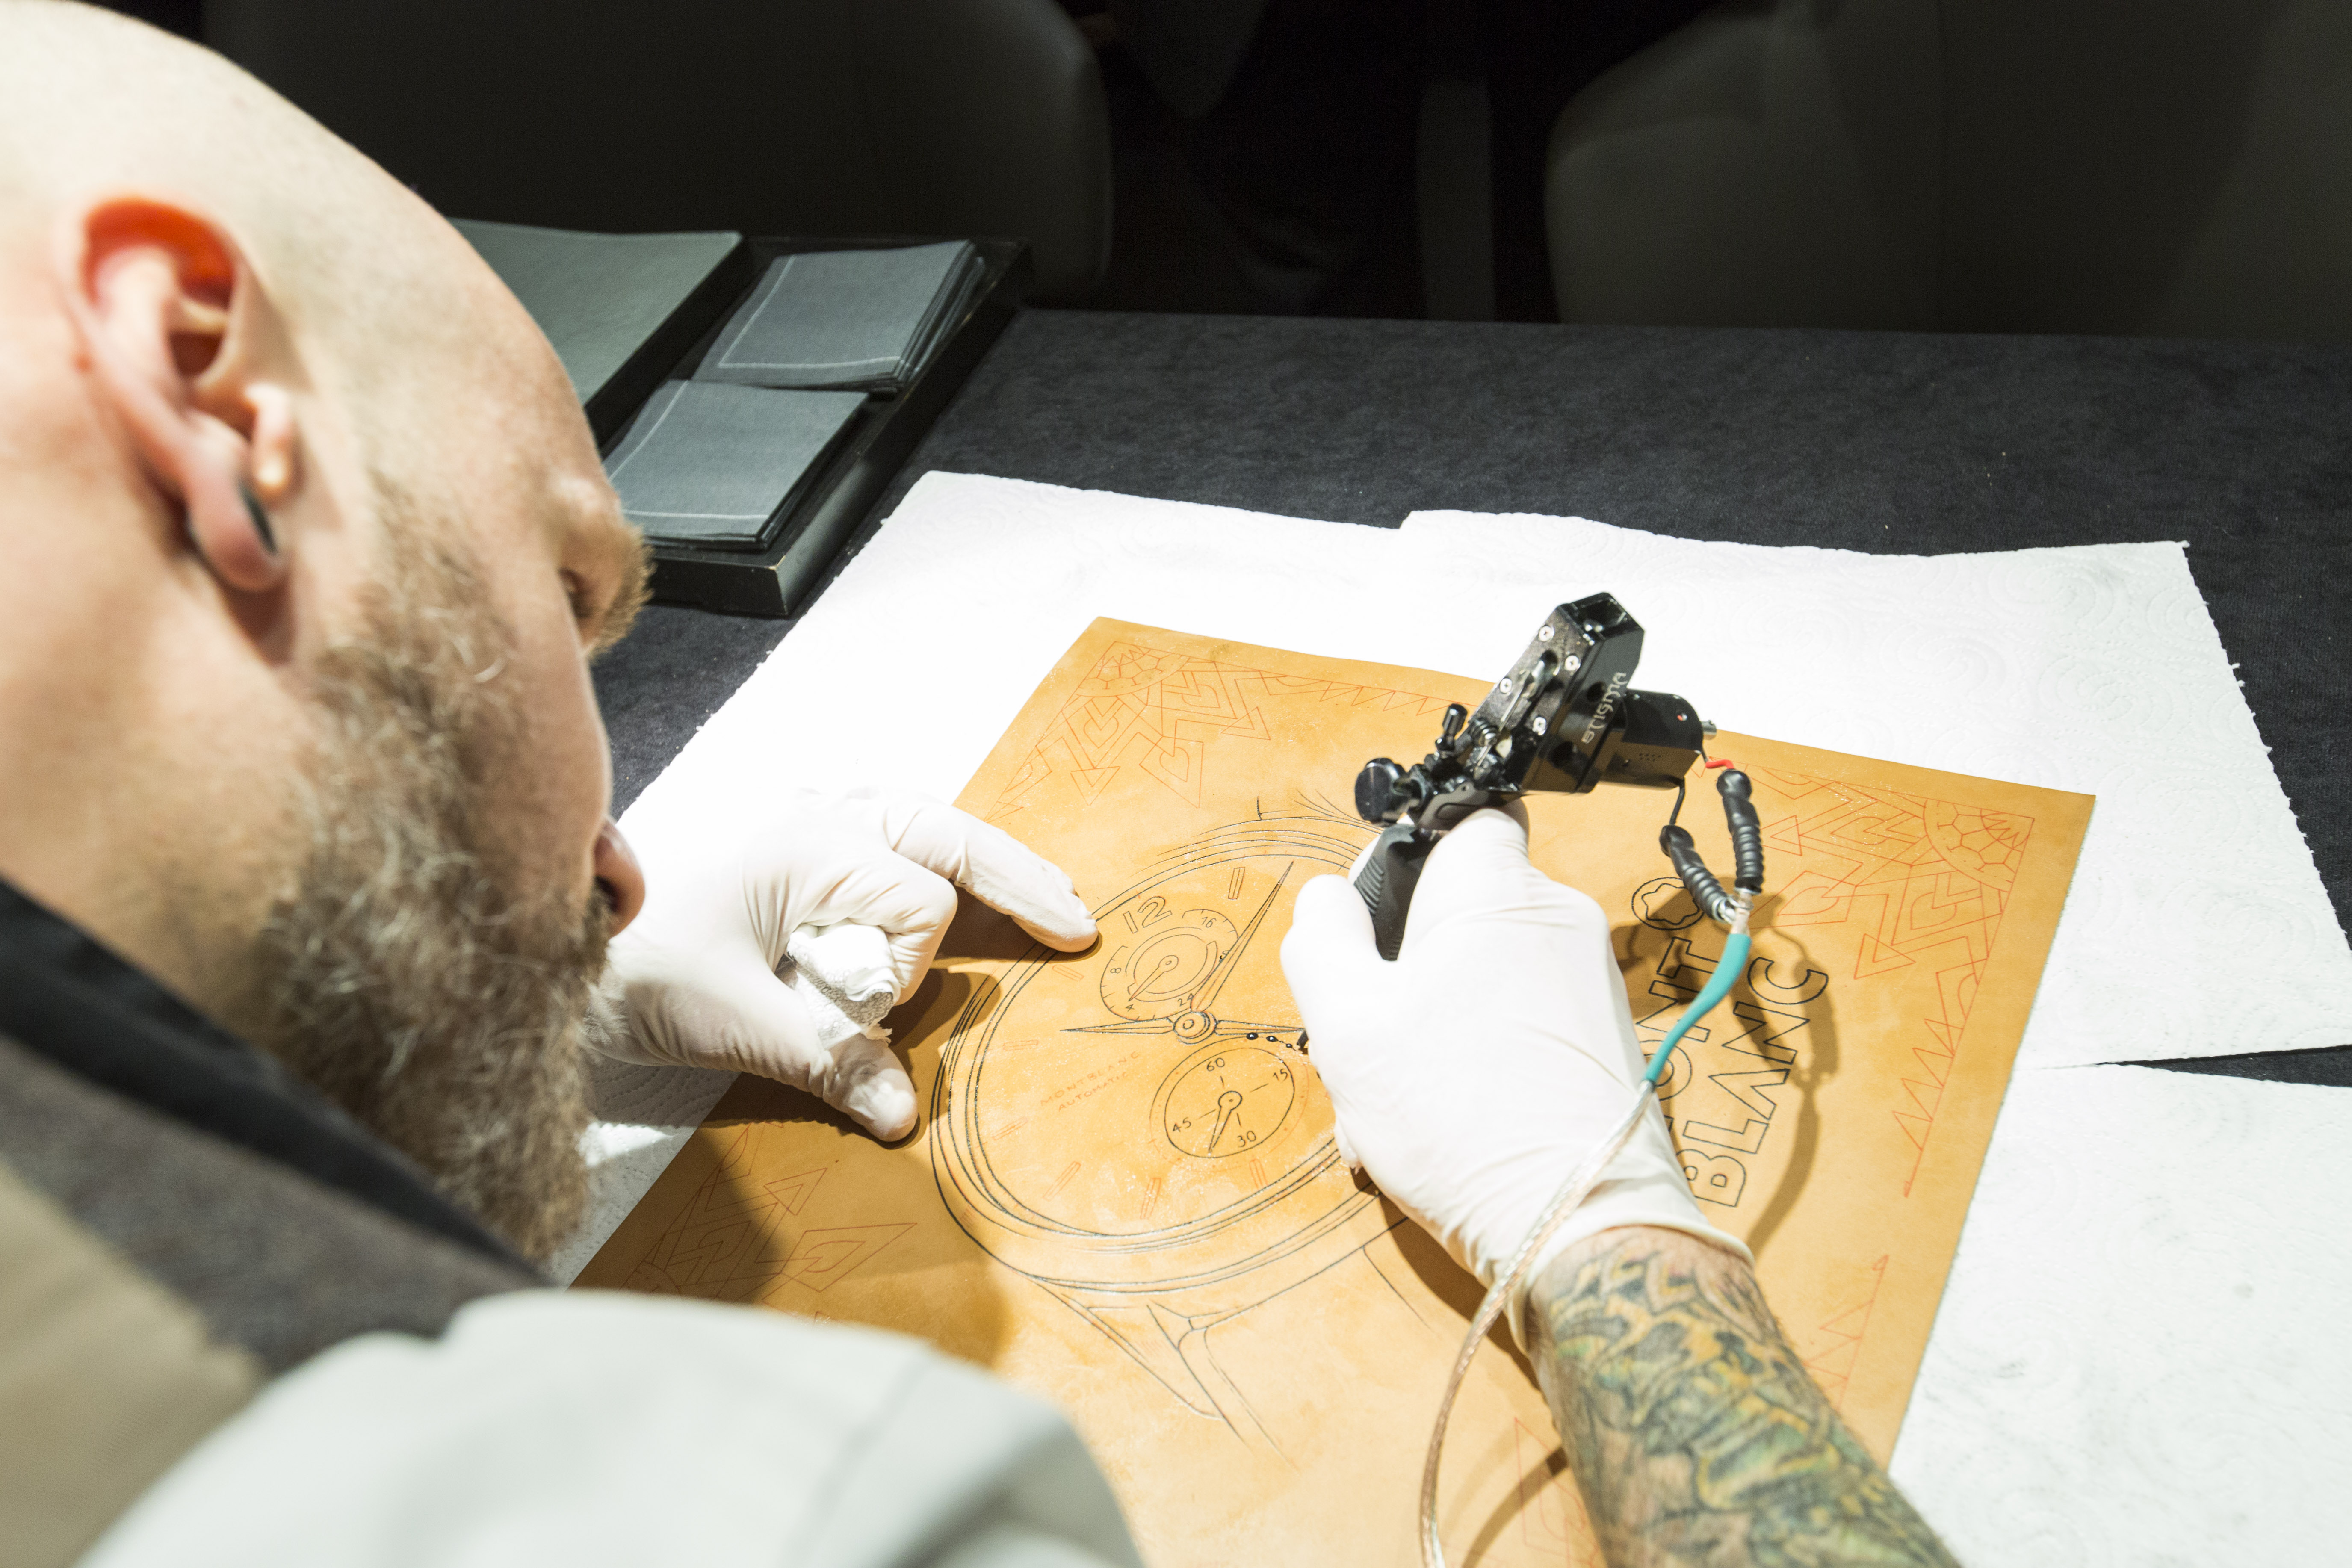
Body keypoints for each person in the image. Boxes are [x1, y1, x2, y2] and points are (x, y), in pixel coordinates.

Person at [0, 5, 1955, 1564]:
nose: (617, 874)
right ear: (211, 397)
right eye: (570, 589)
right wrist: (1602, 1235)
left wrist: (484, 1021)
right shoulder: (797, 1503)